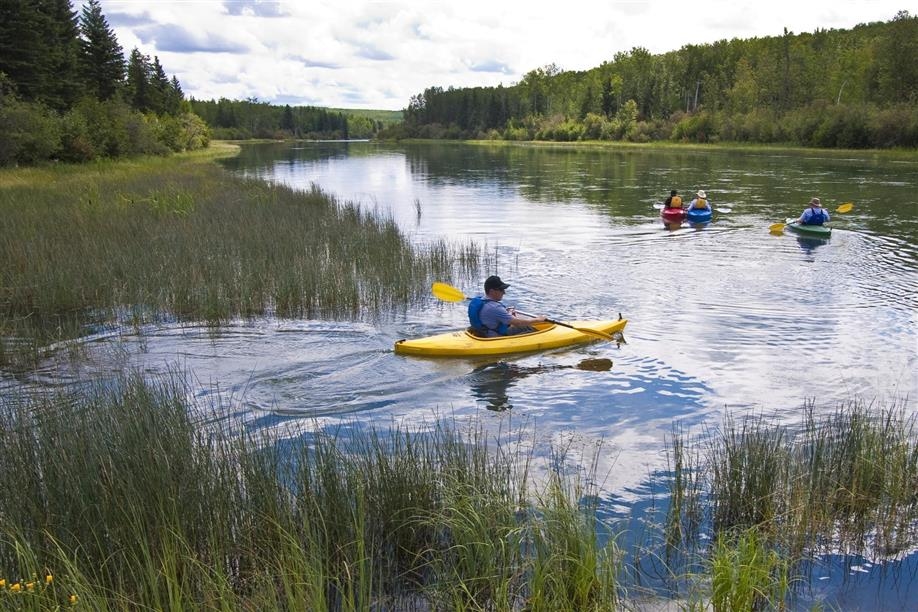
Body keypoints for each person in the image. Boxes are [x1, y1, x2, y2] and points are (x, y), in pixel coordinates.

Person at [468, 275, 546, 337]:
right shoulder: (495, 308)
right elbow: (518, 323)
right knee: (530, 330)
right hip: (495, 337)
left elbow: (493, 315)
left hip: (482, 333)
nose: (504, 292)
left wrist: (507, 313)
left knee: (526, 327)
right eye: (501, 290)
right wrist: (538, 319)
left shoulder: (481, 300)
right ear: (492, 291)